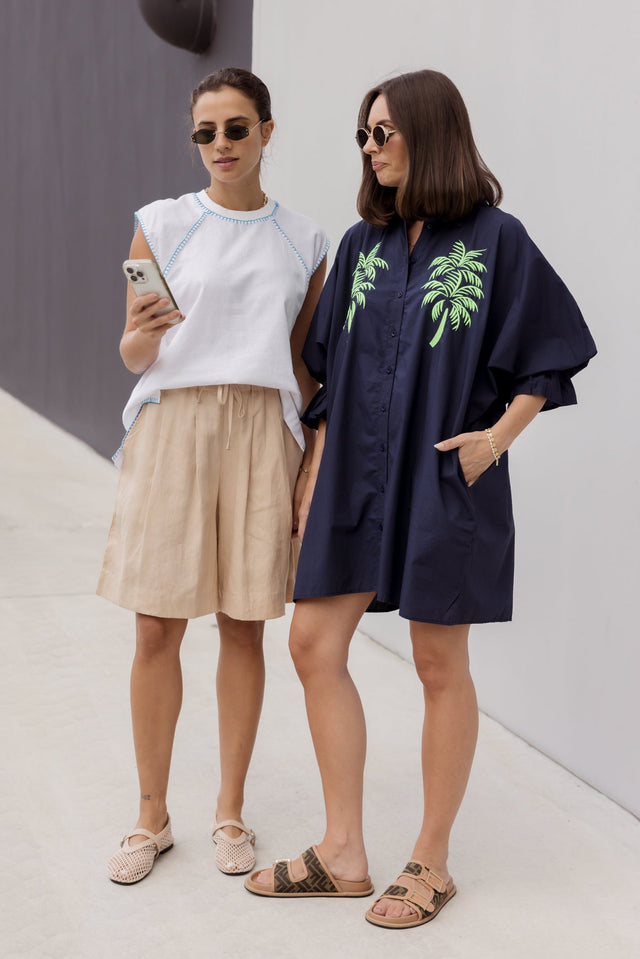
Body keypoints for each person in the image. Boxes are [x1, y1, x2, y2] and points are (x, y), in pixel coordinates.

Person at [245, 70, 596, 927]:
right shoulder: (362, 245)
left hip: (445, 475)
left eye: (384, 132)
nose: (370, 148)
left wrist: (494, 440)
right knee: (313, 643)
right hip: (352, 473)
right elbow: (328, 372)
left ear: (431, 133)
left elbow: (549, 352)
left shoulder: (497, 239)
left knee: (439, 662)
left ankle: (431, 860)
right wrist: (311, 471)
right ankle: (342, 851)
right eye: (363, 136)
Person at [97, 67, 328, 885]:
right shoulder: (158, 225)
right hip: (174, 423)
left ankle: (230, 809)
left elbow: (303, 366)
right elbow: (134, 351)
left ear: (267, 129)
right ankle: (151, 815)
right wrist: (145, 332)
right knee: (155, 627)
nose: (221, 145)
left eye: (235, 128)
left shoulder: (306, 239)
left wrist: (315, 460)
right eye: (205, 133)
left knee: (243, 624)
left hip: (264, 431)